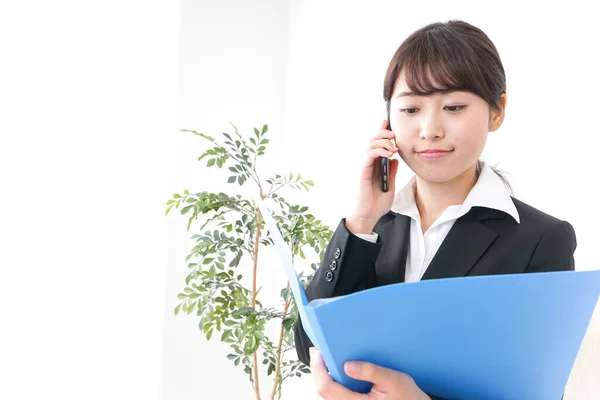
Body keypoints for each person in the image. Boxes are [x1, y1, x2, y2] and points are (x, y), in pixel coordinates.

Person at [294, 19, 576, 400]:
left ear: (497, 111)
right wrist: (361, 221)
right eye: (410, 110)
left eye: (454, 106)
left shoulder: (541, 239)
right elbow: (307, 347)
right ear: (388, 121)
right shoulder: (374, 226)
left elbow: (537, 394)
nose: (429, 129)